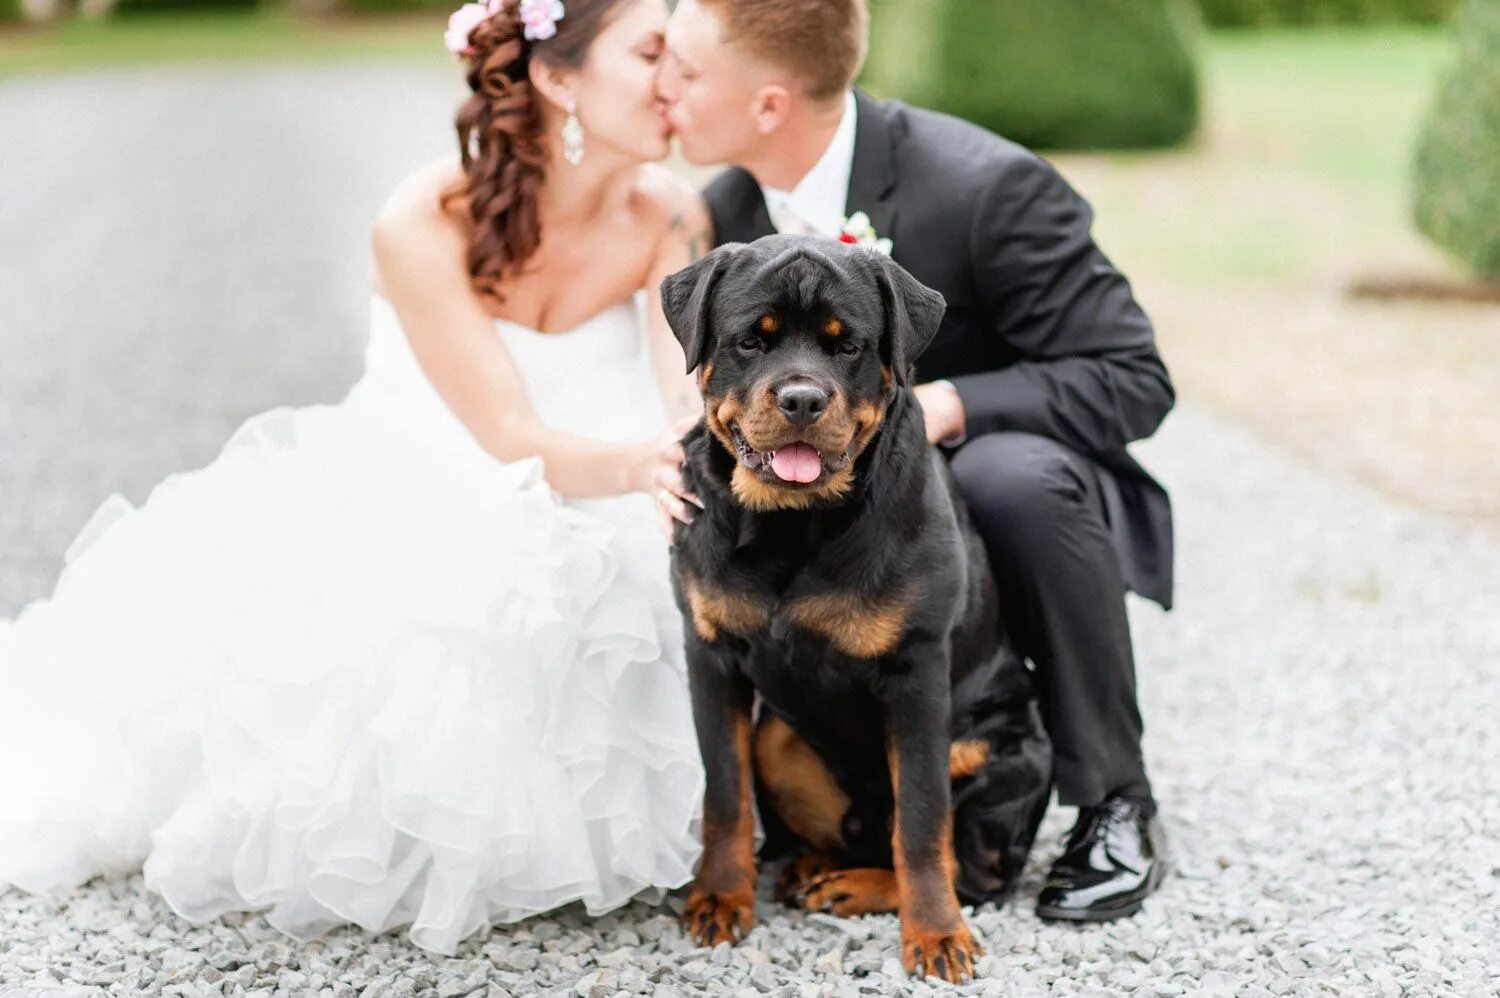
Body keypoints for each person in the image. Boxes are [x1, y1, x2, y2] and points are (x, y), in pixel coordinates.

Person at [0, 0, 732, 956]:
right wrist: (637, 466)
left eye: (679, 57)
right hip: (445, 471)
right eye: (649, 55)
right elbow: (505, 434)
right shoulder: (421, 220)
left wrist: (690, 454)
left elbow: (683, 391)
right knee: (461, 616)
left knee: (681, 584)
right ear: (557, 79)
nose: (677, 81)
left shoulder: (673, 210)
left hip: (621, 459)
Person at [653, 0, 1174, 921]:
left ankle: (1114, 799)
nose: (664, 88)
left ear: (768, 102)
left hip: (1010, 482)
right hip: (831, 501)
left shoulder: (989, 187)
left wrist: (945, 405)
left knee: (1004, 478)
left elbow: (1133, 378)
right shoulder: (725, 209)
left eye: (685, 72)